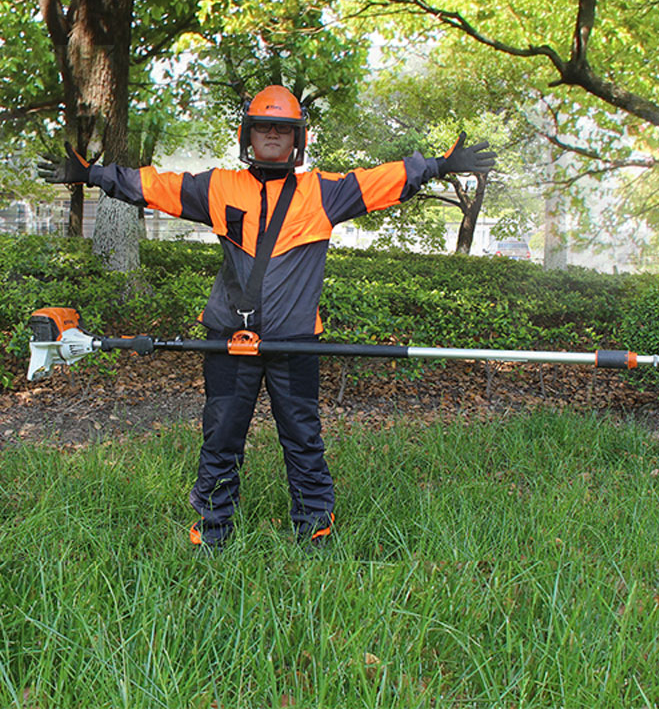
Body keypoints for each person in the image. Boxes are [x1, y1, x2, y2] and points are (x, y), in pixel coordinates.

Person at [39, 85, 497, 550]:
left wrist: (437, 166)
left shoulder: (324, 193)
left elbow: (382, 181)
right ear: (248, 135)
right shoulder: (219, 187)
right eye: (264, 127)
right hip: (228, 340)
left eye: (283, 128)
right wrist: (93, 174)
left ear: (297, 138)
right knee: (221, 436)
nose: (273, 135)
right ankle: (212, 530)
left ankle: (314, 527)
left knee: (302, 437)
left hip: (294, 342)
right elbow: (155, 187)